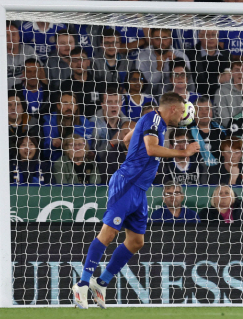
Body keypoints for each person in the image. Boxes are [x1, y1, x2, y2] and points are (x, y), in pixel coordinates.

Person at [72, 92, 199, 309]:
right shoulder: (154, 119)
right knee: (108, 233)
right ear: (174, 109)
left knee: (136, 242)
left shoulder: (152, 121)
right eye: (182, 111)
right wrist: (182, 152)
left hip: (139, 189)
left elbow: (126, 139)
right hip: (127, 183)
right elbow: (150, 148)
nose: (183, 117)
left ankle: (100, 282)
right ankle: (82, 284)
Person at [213, 59, 243, 126]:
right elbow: (222, 120)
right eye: (237, 70)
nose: (240, 73)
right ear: (231, 72)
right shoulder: (221, 92)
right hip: (229, 132)